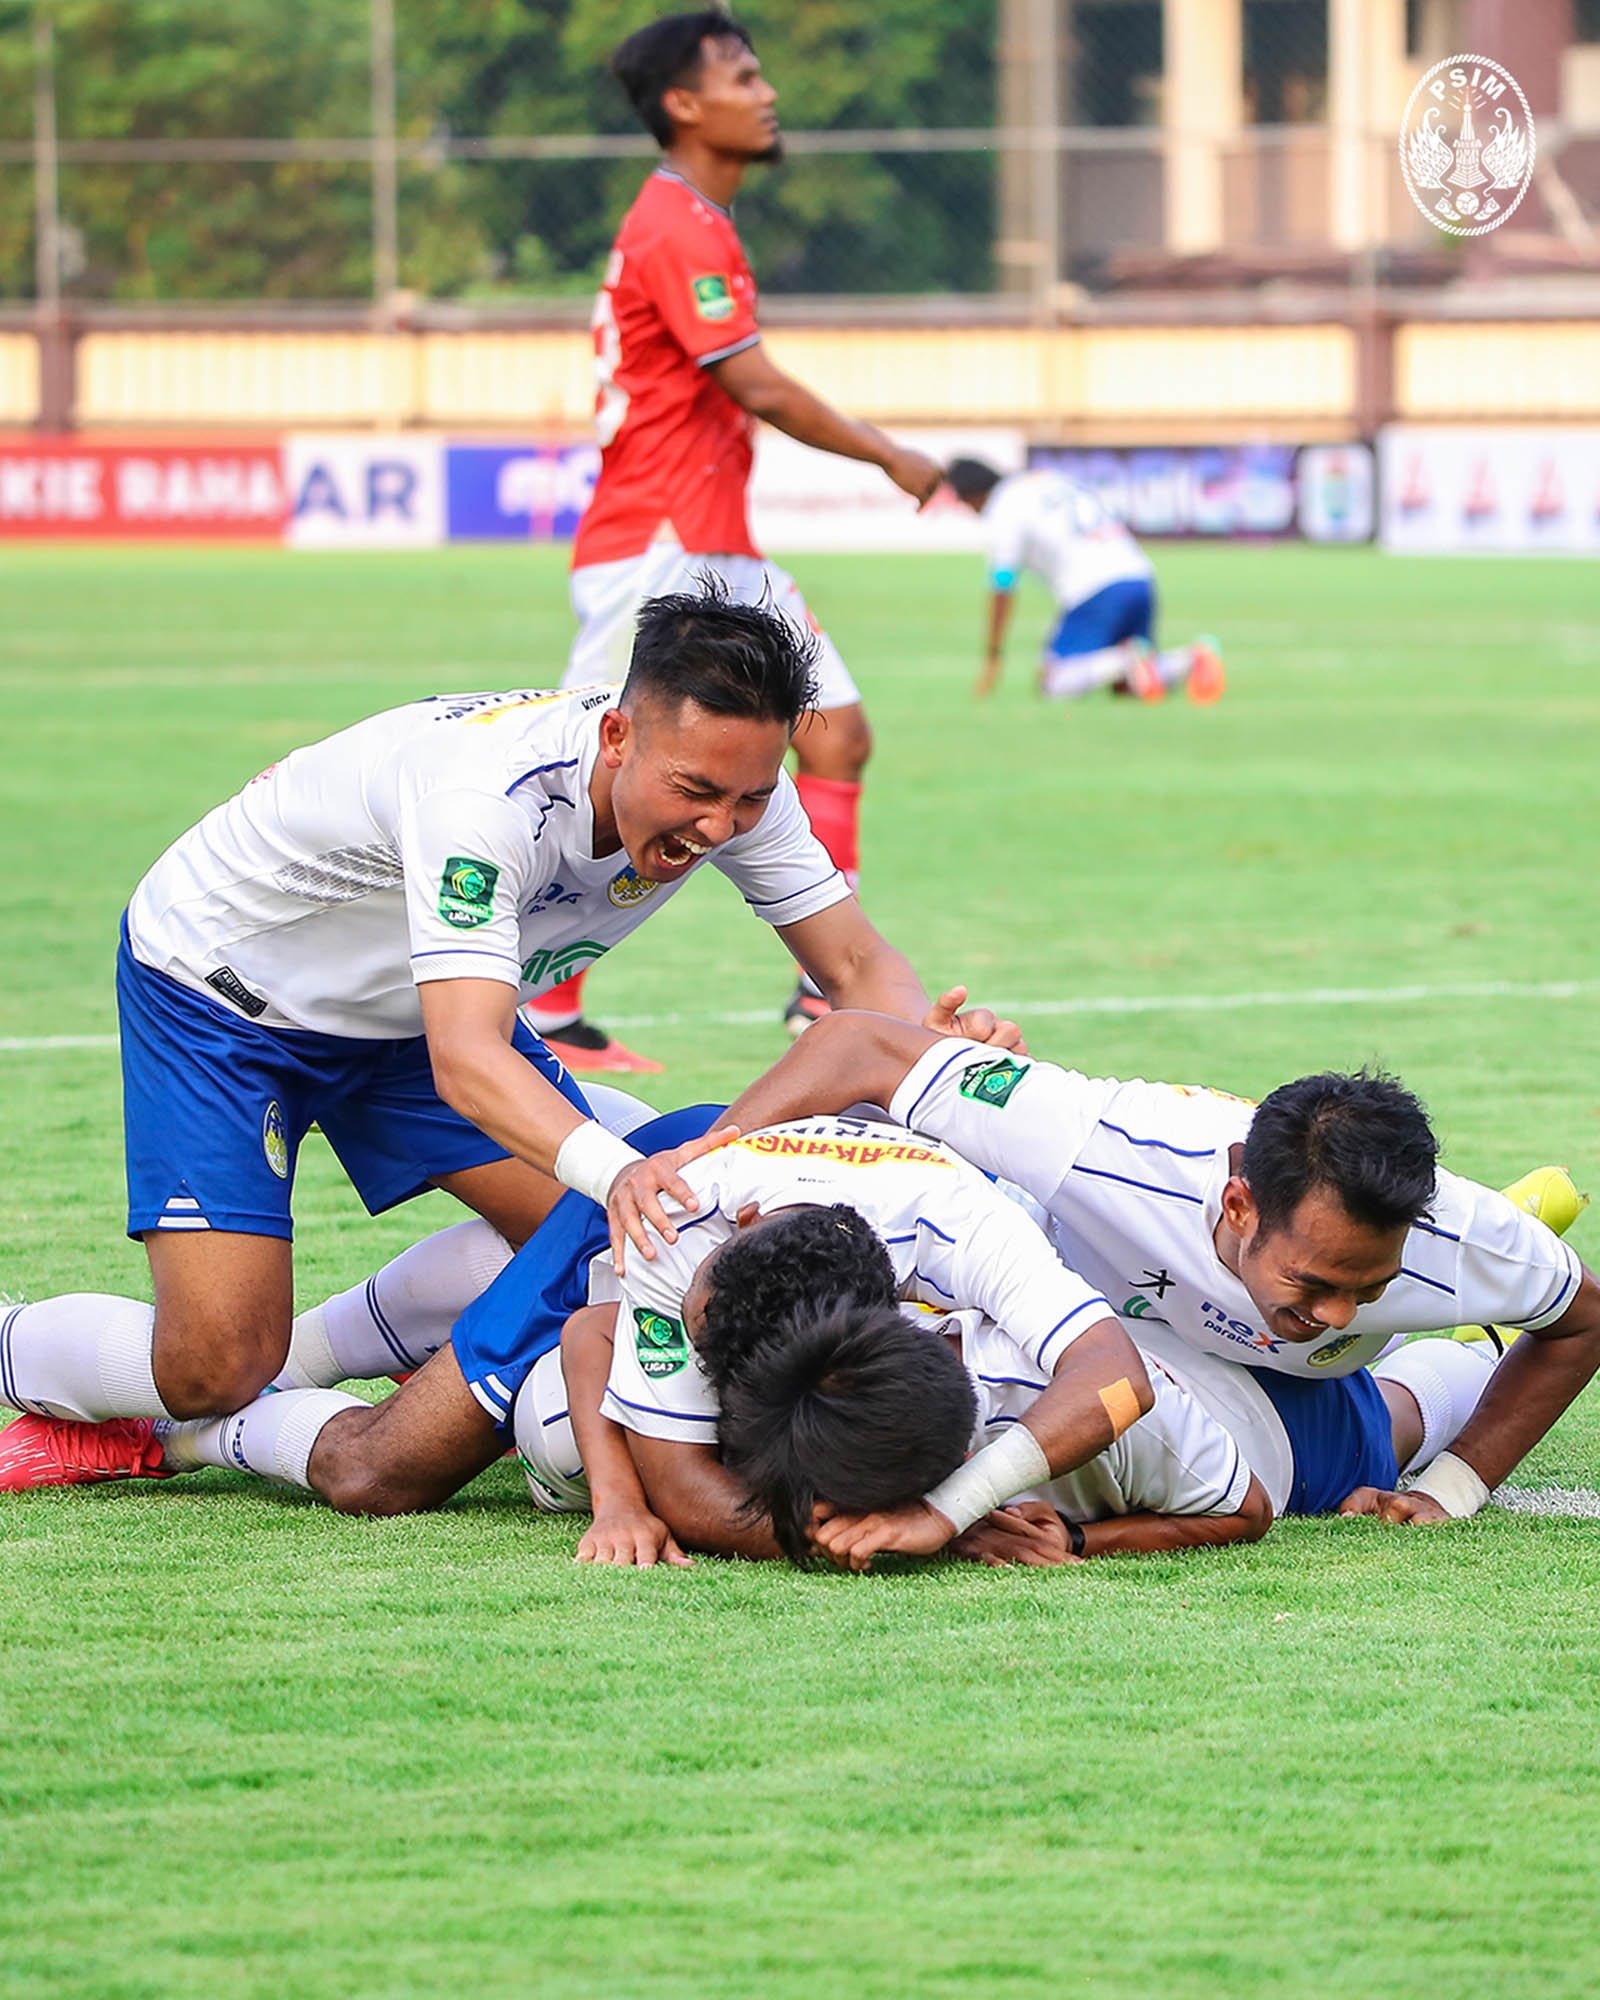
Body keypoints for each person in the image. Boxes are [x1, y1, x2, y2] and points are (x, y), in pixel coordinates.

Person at [0, 589, 1019, 1489]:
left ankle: (280, 1390)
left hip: (421, 1006)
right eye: (695, 793)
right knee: (214, 1362)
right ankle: (37, 1350)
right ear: (616, 735)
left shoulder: (743, 791)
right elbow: (468, 1059)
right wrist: (619, 1173)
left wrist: (913, 1049)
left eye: (747, 795)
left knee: (589, 1250)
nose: (721, 825)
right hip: (227, 994)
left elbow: (855, 969)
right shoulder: (483, 796)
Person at [0, 1110, 1149, 1545]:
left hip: (672, 1209)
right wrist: (920, 1527)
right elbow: (684, 1486)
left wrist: (954, 1497)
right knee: (388, 1466)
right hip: (632, 1198)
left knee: (291, 1353)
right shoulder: (684, 1239)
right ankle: (122, 1404)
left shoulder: (963, 1214)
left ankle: (155, 1424)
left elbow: (1112, 1368)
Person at [718, 1012, 1599, 1537]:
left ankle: (1474, 1330)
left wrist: (1455, 1488)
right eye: (1317, 1282)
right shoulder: (1101, 1139)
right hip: (1094, 1317)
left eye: (1364, 1287)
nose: (1333, 1309)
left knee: (1380, 1425)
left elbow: (1586, 1321)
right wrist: (697, 1166)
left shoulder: (1453, 1239)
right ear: (1240, 1205)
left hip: (1297, 1378)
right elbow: (854, 1045)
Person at [524, 10, 946, 1067]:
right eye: (744, 76)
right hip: (660, 542)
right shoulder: (677, 224)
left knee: (836, 732)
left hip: (714, 542)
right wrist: (889, 454)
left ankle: (819, 992)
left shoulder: (699, 219)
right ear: (683, 103)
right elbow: (750, 381)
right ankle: (540, 1004)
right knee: (590, 764)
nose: (766, 93)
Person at [716, 1298, 1506, 1571]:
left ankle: (1477, 1336)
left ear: (959, 1458)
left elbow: (1248, 1511)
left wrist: (1087, 1541)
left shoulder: (1129, 1421)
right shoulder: (854, 1360)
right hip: (1175, 1335)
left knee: (1399, 1410)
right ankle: (1409, 1316)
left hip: (1280, 1434)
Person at [943, 458, 1225, 706]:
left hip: (1095, 589)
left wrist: (993, 655)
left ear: (972, 494)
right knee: (1128, 688)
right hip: (1139, 578)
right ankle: (1191, 658)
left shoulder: (1004, 507)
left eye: (964, 503)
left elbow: (1003, 582)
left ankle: (1126, 660)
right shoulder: (1048, 479)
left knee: (1053, 684)